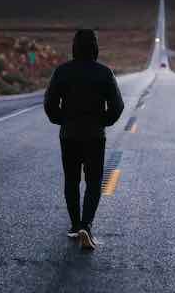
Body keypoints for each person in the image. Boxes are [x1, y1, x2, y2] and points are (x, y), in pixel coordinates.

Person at [44, 29, 124, 250]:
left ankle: (74, 225)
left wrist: (62, 120)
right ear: (95, 48)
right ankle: (86, 226)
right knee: (93, 182)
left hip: (68, 135)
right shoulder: (104, 73)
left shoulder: (62, 71)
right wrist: (103, 122)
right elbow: (118, 106)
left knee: (71, 180)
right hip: (94, 136)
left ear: (74, 47)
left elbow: (49, 104)